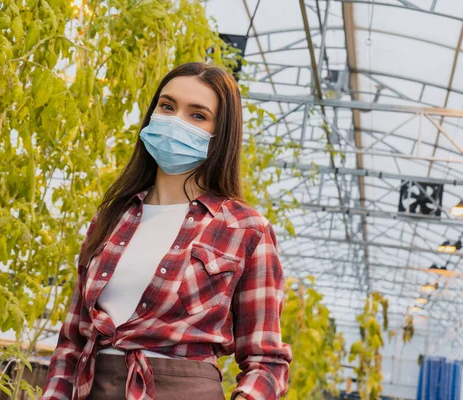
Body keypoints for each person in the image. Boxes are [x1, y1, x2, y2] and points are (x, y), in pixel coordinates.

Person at [40, 62, 292, 400]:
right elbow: (71, 343)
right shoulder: (112, 218)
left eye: (197, 115)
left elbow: (267, 361)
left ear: (221, 135)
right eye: (167, 106)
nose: (176, 122)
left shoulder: (246, 229)